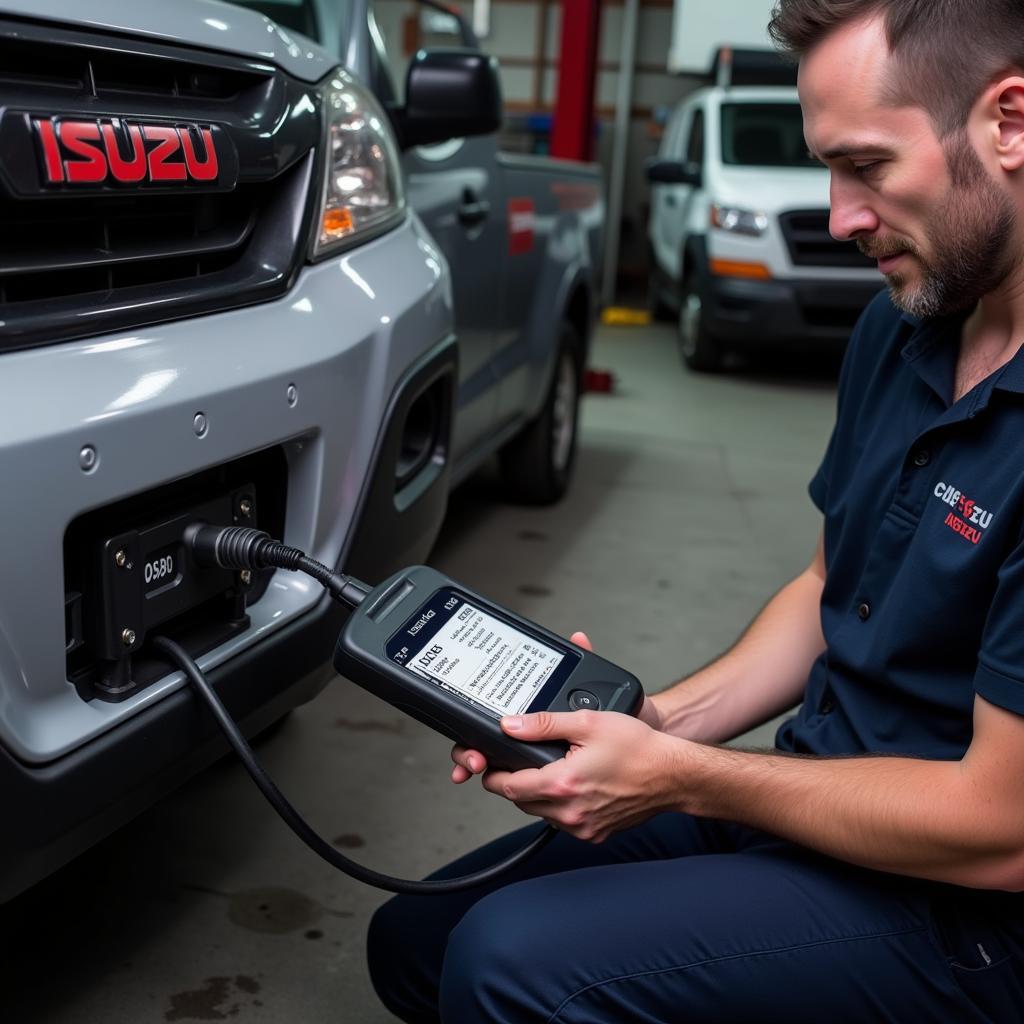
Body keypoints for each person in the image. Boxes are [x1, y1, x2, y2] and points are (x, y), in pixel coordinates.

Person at [367, 2, 1024, 1019]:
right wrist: (648, 723)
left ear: (1009, 121)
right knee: (420, 935)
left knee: (507, 961)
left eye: (867, 167)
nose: (841, 216)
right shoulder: (907, 329)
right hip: (818, 798)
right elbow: (824, 588)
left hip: (968, 910)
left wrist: (680, 777)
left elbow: (999, 827)